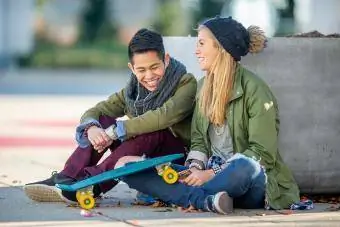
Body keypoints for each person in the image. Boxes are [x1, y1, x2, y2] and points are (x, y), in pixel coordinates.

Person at [119, 16, 300, 214]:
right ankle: (208, 200)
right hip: (208, 173)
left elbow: (262, 153)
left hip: (247, 182)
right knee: (129, 166)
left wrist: (210, 174)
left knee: (245, 166)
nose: (196, 50)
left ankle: (190, 197)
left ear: (222, 47)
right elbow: (199, 142)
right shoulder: (203, 87)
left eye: (202, 44)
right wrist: (195, 169)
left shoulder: (255, 89)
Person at [23, 28, 197, 203]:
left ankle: (91, 183)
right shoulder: (133, 91)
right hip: (143, 152)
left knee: (150, 129)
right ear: (132, 68)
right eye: (141, 70)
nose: (149, 76)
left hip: (176, 156)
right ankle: (67, 176)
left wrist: (116, 131)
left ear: (165, 60)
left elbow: (162, 118)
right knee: (102, 121)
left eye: (154, 67)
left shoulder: (185, 82)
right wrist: (92, 128)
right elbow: (98, 111)